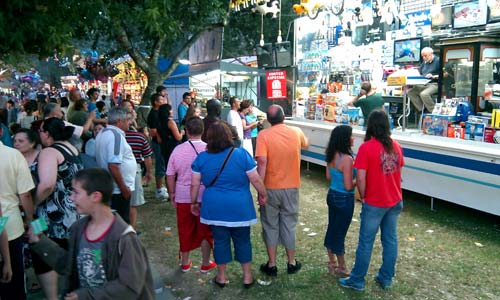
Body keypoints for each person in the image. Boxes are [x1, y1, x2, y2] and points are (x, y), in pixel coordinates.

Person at [28, 168, 155, 299]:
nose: (71, 197)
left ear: (95, 196)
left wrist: (85, 295)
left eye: (76, 192)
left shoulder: (125, 238)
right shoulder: (78, 228)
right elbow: (70, 266)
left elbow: (129, 287)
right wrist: (40, 241)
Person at [191, 121, 267, 288]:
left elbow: (195, 184)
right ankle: (247, 276)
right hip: (240, 208)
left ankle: (221, 276)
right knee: (243, 241)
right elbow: (255, 178)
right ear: (228, 136)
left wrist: (194, 202)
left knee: (220, 241)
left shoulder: (202, 158)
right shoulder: (241, 155)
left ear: (208, 138)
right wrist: (263, 194)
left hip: (214, 208)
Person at [338, 110, 404, 291]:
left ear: (370, 126)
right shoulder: (396, 146)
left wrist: (364, 196)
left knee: (366, 242)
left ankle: (357, 280)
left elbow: (360, 178)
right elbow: (398, 172)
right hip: (394, 200)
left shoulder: (367, 148)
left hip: (375, 202)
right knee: (390, 240)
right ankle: (386, 277)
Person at [256, 104, 309, 277]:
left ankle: (271, 264)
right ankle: (291, 262)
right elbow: (306, 145)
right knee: (289, 224)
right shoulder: (296, 131)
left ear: (268, 120)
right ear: (284, 117)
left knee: (270, 225)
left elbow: (262, 163)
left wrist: (260, 190)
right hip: (292, 186)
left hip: (270, 187)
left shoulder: (263, 135)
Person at [35, 117, 83, 300]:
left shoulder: (49, 152)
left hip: (51, 216)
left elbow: (47, 185)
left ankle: (53, 296)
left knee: (42, 252)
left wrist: (31, 204)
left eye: (41, 131)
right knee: (70, 255)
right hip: (74, 212)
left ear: (47, 133)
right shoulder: (71, 147)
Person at [166, 117, 216, 273]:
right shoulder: (209, 149)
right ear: (203, 131)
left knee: (184, 228)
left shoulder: (178, 150)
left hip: (183, 196)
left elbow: (169, 174)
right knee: (206, 231)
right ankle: (206, 262)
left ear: (186, 131)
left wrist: (172, 192)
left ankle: (185, 263)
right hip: (205, 196)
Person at [0, 124, 32, 299]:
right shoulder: (13, 156)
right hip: (11, 226)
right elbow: (25, 194)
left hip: (6, 225)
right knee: (14, 282)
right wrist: (31, 220)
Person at [324, 125, 356, 278]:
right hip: (344, 198)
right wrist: (360, 179)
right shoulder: (347, 159)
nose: (353, 138)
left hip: (332, 195)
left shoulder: (331, 155)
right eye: (351, 136)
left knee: (332, 228)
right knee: (340, 233)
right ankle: (342, 266)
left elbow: (329, 177)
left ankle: (332, 262)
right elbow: (349, 185)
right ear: (345, 139)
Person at [95, 107, 137, 224]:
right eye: (128, 120)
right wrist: (123, 188)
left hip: (112, 186)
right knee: (121, 223)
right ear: (119, 121)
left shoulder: (102, 133)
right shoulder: (115, 136)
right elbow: (113, 165)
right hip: (118, 190)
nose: (130, 123)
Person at [125, 112, 153, 230]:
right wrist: (148, 172)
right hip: (134, 170)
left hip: (115, 170)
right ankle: (131, 229)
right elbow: (147, 157)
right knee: (132, 203)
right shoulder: (140, 137)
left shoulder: (113, 136)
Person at [146, 93, 169, 200]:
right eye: (161, 99)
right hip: (158, 143)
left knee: (163, 164)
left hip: (163, 143)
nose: (163, 101)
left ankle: (161, 187)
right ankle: (159, 189)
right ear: (155, 102)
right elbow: (153, 131)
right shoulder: (154, 114)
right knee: (160, 164)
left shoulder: (160, 112)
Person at [408, 47, 440, 113]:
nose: (424, 58)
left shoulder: (438, 61)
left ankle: (433, 111)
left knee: (424, 94)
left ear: (431, 54)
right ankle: (422, 109)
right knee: (410, 92)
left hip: (434, 84)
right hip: (424, 83)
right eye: (423, 56)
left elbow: (444, 75)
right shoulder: (424, 63)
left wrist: (434, 76)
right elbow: (421, 73)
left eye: (425, 56)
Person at [157, 104, 184, 175]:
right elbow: (178, 137)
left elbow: (159, 139)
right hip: (173, 147)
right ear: (168, 111)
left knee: (168, 169)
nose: (172, 111)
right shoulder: (170, 122)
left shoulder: (158, 122)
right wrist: (182, 133)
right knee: (176, 169)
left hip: (164, 147)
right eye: (171, 109)